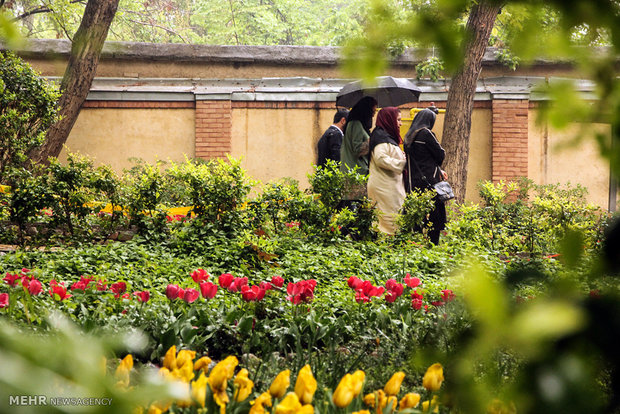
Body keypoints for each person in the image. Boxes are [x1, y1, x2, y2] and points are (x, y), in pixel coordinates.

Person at [403, 107, 447, 245]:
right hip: (429, 182)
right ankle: (432, 247)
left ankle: (416, 245)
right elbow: (440, 154)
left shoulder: (409, 136)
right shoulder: (426, 134)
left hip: (413, 182)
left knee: (418, 216)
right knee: (435, 217)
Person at [367, 107, 406, 235]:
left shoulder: (384, 136)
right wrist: (402, 163)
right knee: (388, 221)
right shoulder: (381, 137)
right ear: (389, 120)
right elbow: (380, 158)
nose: (400, 123)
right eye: (398, 120)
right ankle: (387, 248)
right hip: (384, 187)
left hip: (388, 185)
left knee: (392, 218)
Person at [340, 96, 377, 176]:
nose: (373, 115)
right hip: (355, 172)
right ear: (366, 111)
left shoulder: (356, 124)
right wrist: (371, 141)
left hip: (354, 171)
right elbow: (357, 149)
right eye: (373, 112)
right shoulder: (355, 124)